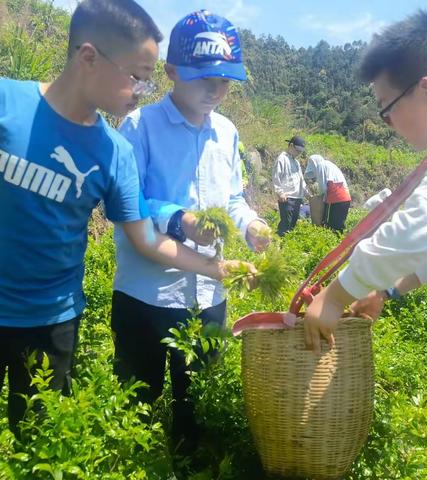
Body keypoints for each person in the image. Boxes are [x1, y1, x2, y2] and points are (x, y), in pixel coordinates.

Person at [0, 0, 253, 436]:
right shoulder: (8, 102)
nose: (141, 90)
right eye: (136, 78)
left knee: (40, 440)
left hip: (52, 318)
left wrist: (222, 265)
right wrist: (182, 221)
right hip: (134, 298)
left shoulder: (112, 151)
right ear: (90, 57)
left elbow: (146, 237)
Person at [303, 11, 427, 480]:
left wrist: (336, 295)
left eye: (387, 106)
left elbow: (415, 230)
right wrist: (386, 290)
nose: (385, 121)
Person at [112, 10, 270, 454]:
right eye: (204, 79)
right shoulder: (139, 127)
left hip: (209, 297)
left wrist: (252, 224)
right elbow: (130, 204)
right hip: (147, 296)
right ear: (171, 72)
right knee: (136, 402)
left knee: (196, 408)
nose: (215, 90)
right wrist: (180, 218)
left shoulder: (227, 132)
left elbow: (234, 198)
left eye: (224, 81)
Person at [304, 154, 351, 231]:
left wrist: (320, 199)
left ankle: (331, 242)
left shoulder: (321, 165)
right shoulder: (328, 164)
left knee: (329, 225)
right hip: (344, 198)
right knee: (338, 225)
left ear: (313, 163)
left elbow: (323, 186)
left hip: (335, 198)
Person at [272, 135, 308, 236]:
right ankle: (279, 245)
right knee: (286, 223)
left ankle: (286, 244)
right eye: (297, 150)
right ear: (291, 146)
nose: (298, 153)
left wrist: (307, 193)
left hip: (297, 197)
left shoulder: (296, 162)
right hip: (287, 197)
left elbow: (301, 179)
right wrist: (280, 192)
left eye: (300, 152)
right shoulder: (282, 159)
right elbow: (276, 176)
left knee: (293, 223)